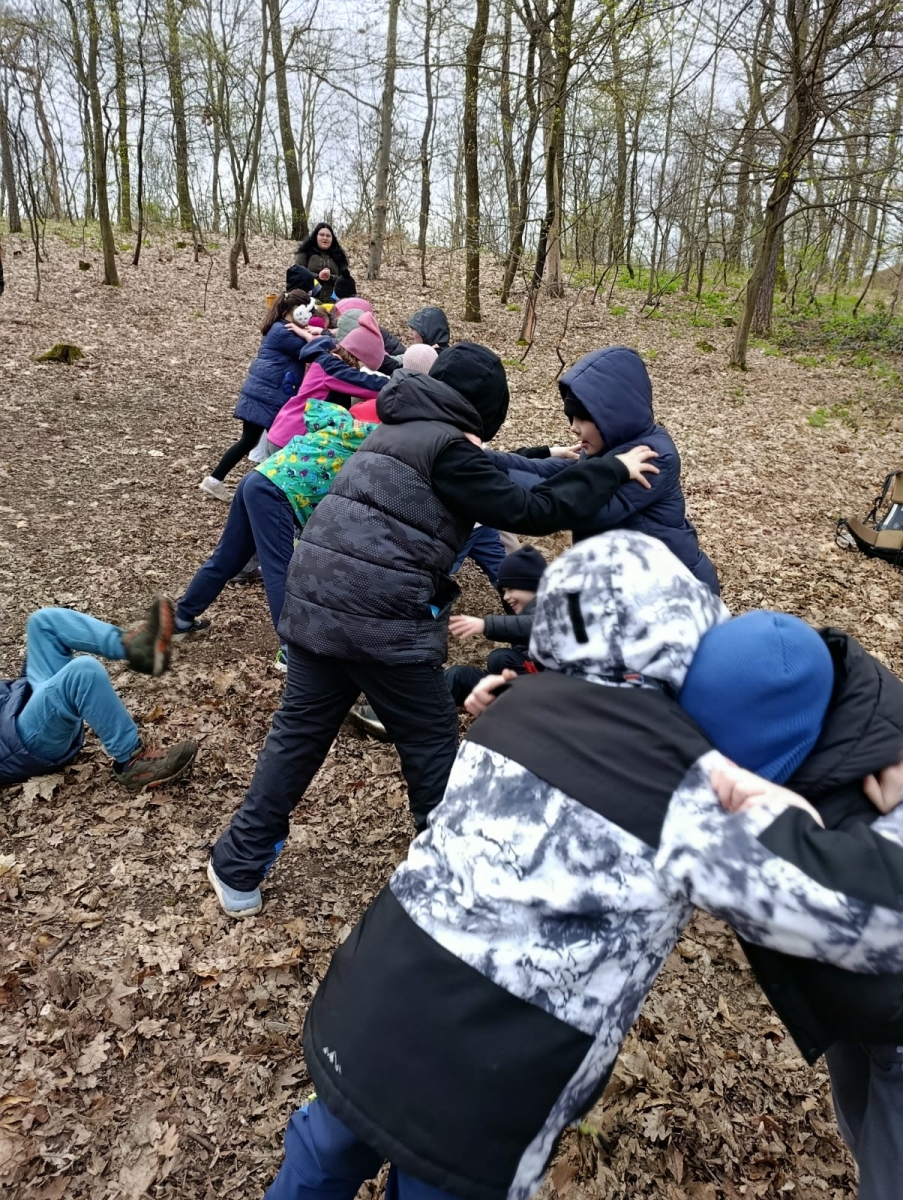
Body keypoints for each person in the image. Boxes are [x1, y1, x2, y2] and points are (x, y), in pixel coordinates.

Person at [261, 531, 903, 1200]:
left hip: (372, 998)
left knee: (321, 1154)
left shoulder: (515, 708)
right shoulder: (684, 787)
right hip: (482, 1070)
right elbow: (866, 918)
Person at [204, 344, 660, 917]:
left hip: (317, 601)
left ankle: (237, 863)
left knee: (298, 735)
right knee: (430, 739)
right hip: (378, 617)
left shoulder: (399, 429)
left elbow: (492, 467)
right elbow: (530, 510)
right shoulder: (448, 451)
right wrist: (611, 469)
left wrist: (555, 457)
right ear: (483, 409)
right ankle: (451, 872)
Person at [679, 610, 903, 1200]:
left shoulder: (883, 764)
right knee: (862, 1131)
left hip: (892, 1019)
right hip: (858, 1014)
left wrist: (789, 832)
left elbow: (872, 904)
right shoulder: (840, 706)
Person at [485, 346, 719, 594]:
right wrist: (484, 460)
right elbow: (555, 474)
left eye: (583, 418)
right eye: (571, 418)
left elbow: (583, 506)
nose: (574, 428)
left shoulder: (650, 457)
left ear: (613, 415)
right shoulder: (607, 447)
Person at [175, 401, 377, 670]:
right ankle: (291, 650)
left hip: (258, 478)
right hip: (275, 493)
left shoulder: (339, 426)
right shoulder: (371, 450)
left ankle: (181, 619)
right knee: (279, 569)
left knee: (227, 557)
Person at [1, 599, 197, 792]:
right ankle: (131, 760)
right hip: (22, 740)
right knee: (84, 673)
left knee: (43, 622)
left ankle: (138, 648)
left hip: (18, 700)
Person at [200, 290, 318, 502]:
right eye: (308, 312)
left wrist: (308, 333)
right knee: (275, 442)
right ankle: (269, 490)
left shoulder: (282, 328)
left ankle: (217, 480)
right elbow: (315, 351)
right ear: (298, 310)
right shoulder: (284, 332)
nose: (309, 317)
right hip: (268, 397)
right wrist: (310, 335)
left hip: (265, 394)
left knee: (251, 441)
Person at [265, 313, 388, 453]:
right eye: (362, 367)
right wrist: (398, 384)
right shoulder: (332, 368)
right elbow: (367, 384)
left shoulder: (327, 361)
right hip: (294, 437)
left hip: (285, 430)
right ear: (357, 357)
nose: (359, 371)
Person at [444, 545, 546, 706]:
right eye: (504, 591)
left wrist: (485, 624)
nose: (506, 597)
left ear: (531, 585)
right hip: (515, 684)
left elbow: (539, 626)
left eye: (510, 589)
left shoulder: (555, 607)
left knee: (501, 658)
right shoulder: (522, 611)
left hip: (547, 690)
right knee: (457, 676)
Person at [293, 223, 349, 300]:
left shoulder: (339, 255)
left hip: (334, 300)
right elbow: (298, 275)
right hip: (309, 299)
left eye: (328, 236)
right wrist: (318, 276)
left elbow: (346, 280)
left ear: (332, 238)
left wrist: (330, 277)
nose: (325, 238)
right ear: (316, 236)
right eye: (321, 235)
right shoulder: (305, 252)